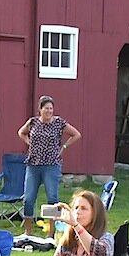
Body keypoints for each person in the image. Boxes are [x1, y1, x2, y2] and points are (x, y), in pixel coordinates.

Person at [18, 96, 80, 229]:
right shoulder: (33, 122)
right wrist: (29, 142)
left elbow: (76, 134)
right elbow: (21, 133)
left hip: (51, 165)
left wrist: (63, 147)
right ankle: (28, 232)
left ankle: (51, 232)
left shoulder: (59, 123)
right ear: (40, 109)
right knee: (28, 198)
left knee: (52, 199)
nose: (49, 111)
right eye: (46, 108)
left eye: (51, 108)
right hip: (33, 164)